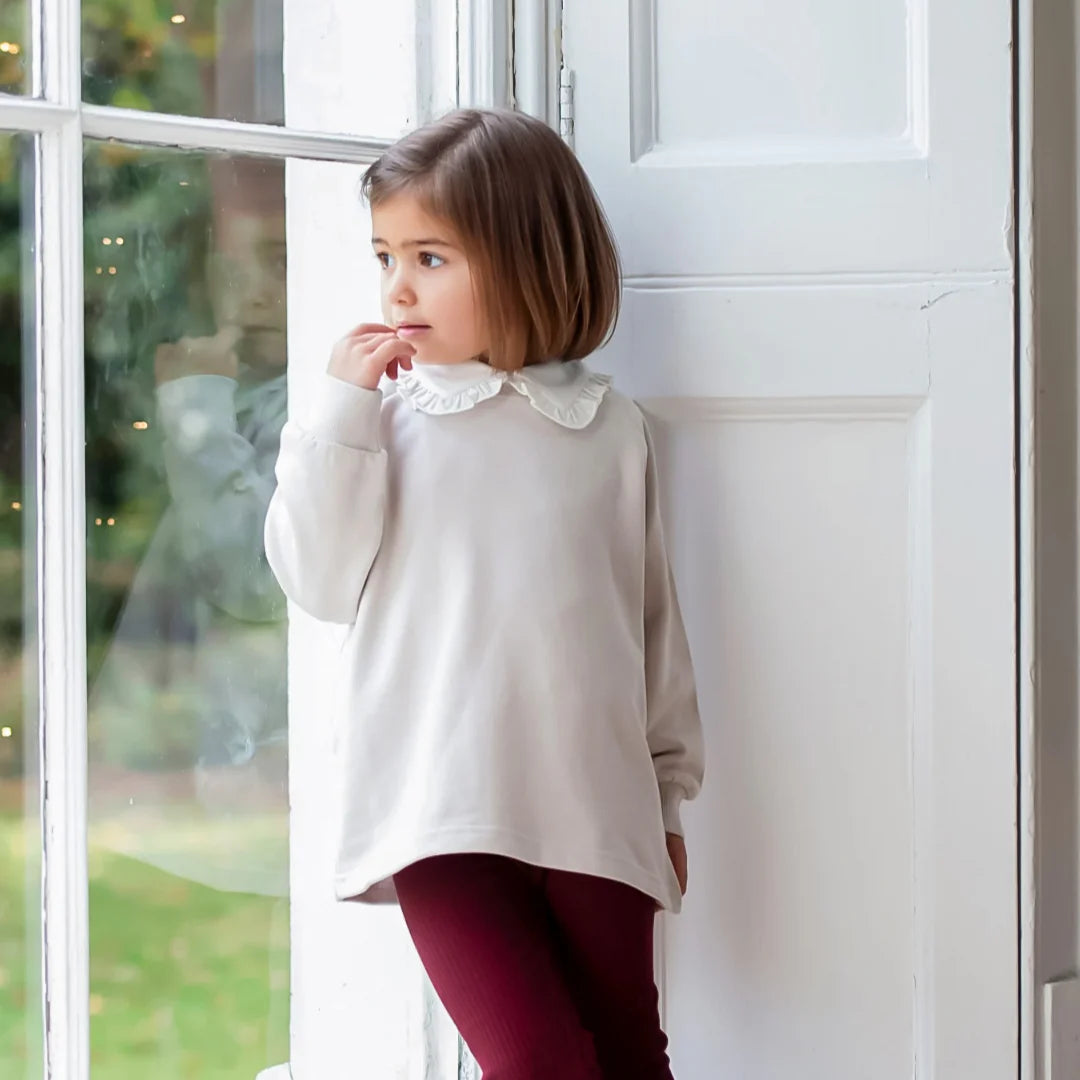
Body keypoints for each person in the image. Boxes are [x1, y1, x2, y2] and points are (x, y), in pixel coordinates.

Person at [264, 108, 705, 1079]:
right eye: (385, 256)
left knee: (630, 1053)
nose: (396, 286)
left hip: (597, 805)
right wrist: (341, 411)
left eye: (430, 258)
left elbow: (651, 628)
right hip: (436, 808)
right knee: (537, 1060)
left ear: (529, 260)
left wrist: (667, 799)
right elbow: (319, 581)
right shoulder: (384, 421)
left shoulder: (611, 430)